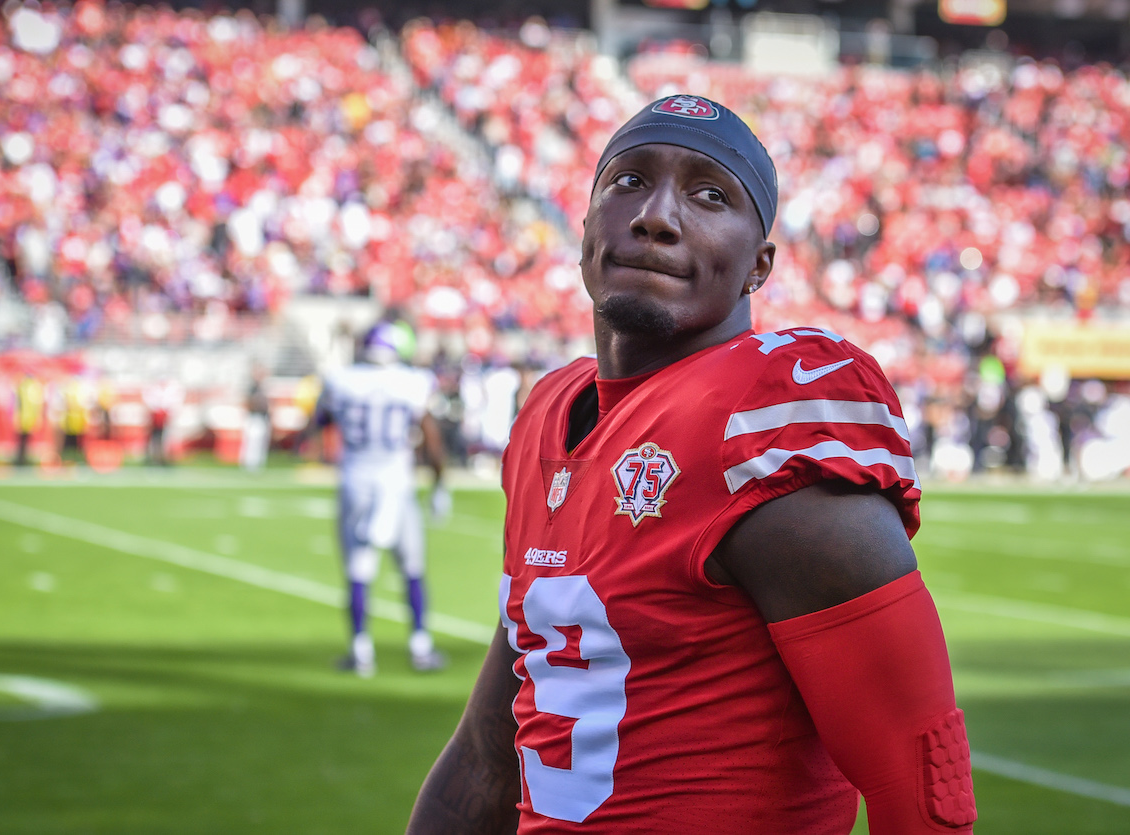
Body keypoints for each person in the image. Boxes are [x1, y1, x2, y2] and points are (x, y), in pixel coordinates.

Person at [409, 95, 976, 834]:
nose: (657, 216)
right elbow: (490, 753)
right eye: (628, 181)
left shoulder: (767, 420)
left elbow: (918, 782)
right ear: (584, 229)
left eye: (711, 195)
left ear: (759, 264)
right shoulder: (549, 417)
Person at [320, 321, 451, 677]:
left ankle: (361, 651)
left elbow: (320, 421)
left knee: (358, 570)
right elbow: (430, 436)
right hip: (397, 483)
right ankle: (420, 646)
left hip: (356, 481)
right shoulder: (412, 381)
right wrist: (440, 484)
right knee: (411, 566)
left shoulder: (340, 379)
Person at [239, 364, 272, 472]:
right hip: (254, 417)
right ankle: (250, 464)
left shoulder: (263, 387)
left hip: (262, 417)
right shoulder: (252, 388)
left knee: (260, 442)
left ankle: (257, 464)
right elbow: (249, 402)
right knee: (253, 441)